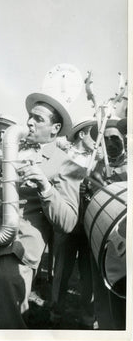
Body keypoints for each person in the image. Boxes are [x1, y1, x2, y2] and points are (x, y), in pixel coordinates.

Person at [0, 92, 83, 329]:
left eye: (38, 119)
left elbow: (68, 221)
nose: (29, 122)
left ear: (55, 129)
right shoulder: (13, 150)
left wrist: (45, 188)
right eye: (29, 117)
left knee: (8, 323)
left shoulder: (66, 164)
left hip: (16, 253)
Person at [50, 117, 96, 329]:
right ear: (82, 134)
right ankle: (55, 313)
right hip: (68, 223)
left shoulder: (97, 158)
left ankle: (87, 317)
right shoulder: (63, 157)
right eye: (93, 134)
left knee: (89, 275)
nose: (97, 139)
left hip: (90, 225)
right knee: (61, 270)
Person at [87, 118, 127, 330]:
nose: (110, 143)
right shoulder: (97, 169)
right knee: (110, 289)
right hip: (107, 239)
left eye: (115, 138)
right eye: (106, 139)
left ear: (124, 140)